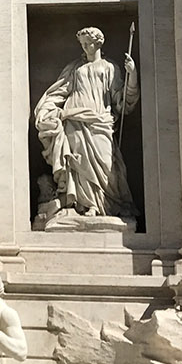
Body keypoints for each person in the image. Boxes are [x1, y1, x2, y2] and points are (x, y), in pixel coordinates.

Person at [34, 26, 138, 221]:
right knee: (78, 162)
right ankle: (86, 205)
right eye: (82, 44)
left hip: (100, 119)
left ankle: (106, 206)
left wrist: (132, 75)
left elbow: (122, 100)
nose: (85, 47)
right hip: (74, 119)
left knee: (107, 165)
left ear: (98, 42)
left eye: (88, 43)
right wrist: (47, 109)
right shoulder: (75, 68)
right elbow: (60, 91)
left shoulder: (110, 68)